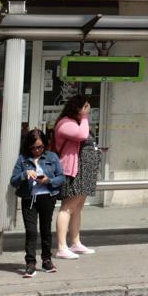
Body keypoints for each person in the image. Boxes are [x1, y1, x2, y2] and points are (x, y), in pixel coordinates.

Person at [9, 128, 64, 278]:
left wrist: (48, 180)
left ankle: (47, 260)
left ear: (45, 144)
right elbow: (13, 181)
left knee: (46, 229)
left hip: (47, 196)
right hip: (29, 198)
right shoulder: (22, 159)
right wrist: (24, 174)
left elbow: (61, 178)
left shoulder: (52, 157)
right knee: (31, 231)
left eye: (39, 147)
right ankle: (30, 263)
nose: (36, 150)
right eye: (33, 147)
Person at [53, 95, 99, 259]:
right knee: (68, 207)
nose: (87, 110)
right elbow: (81, 135)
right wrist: (85, 117)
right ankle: (61, 246)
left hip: (83, 171)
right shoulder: (66, 123)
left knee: (78, 207)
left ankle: (75, 242)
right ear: (77, 107)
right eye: (85, 107)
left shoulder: (77, 122)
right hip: (72, 170)